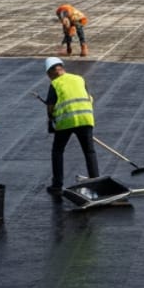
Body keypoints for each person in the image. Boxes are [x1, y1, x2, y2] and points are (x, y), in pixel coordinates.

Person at [44, 56, 100, 194]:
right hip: (85, 119)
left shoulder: (55, 84)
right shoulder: (79, 79)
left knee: (57, 151)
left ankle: (57, 185)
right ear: (62, 67)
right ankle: (96, 182)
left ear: (50, 73)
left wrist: (51, 119)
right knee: (89, 151)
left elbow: (50, 107)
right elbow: (89, 97)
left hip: (66, 122)